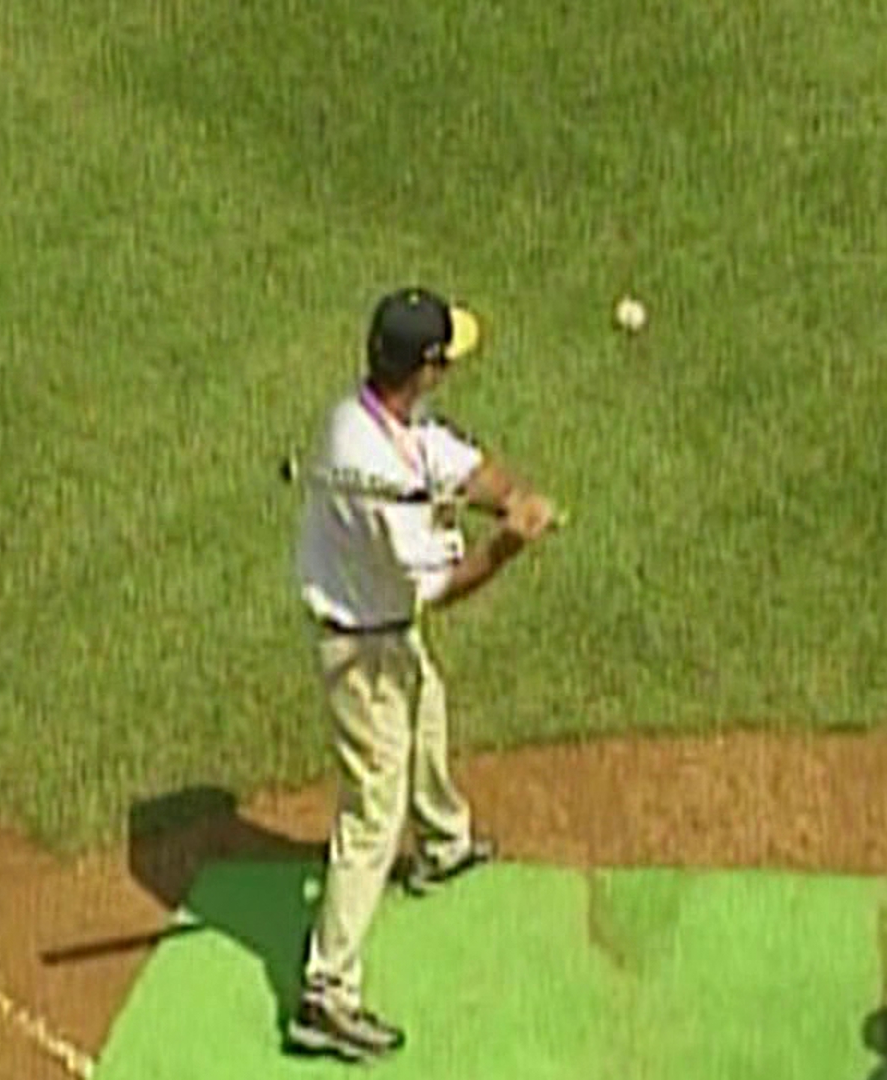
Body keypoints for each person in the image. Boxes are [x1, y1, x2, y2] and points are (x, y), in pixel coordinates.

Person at [284, 287, 562, 1062]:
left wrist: (510, 497)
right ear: (427, 367)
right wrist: (508, 546)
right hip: (359, 651)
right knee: (373, 812)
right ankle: (325, 994)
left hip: (387, 633)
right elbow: (442, 588)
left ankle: (441, 842)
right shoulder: (371, 474)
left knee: (428, 710)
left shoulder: (376, 416)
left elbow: (458, 464)